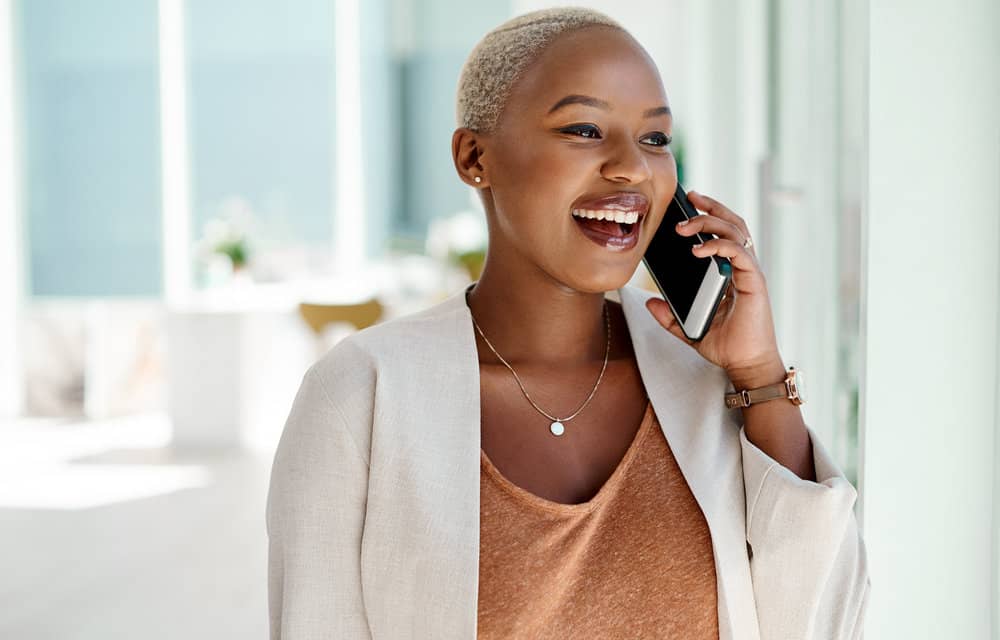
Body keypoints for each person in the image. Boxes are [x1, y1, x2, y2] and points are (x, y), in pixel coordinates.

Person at [266, 7, 870, 639]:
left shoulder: (710, 375)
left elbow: (823, 619)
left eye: (656, 139)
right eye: (584, 129)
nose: (632, 167)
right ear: (475, 156)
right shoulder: (359, 396)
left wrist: (760, 372)